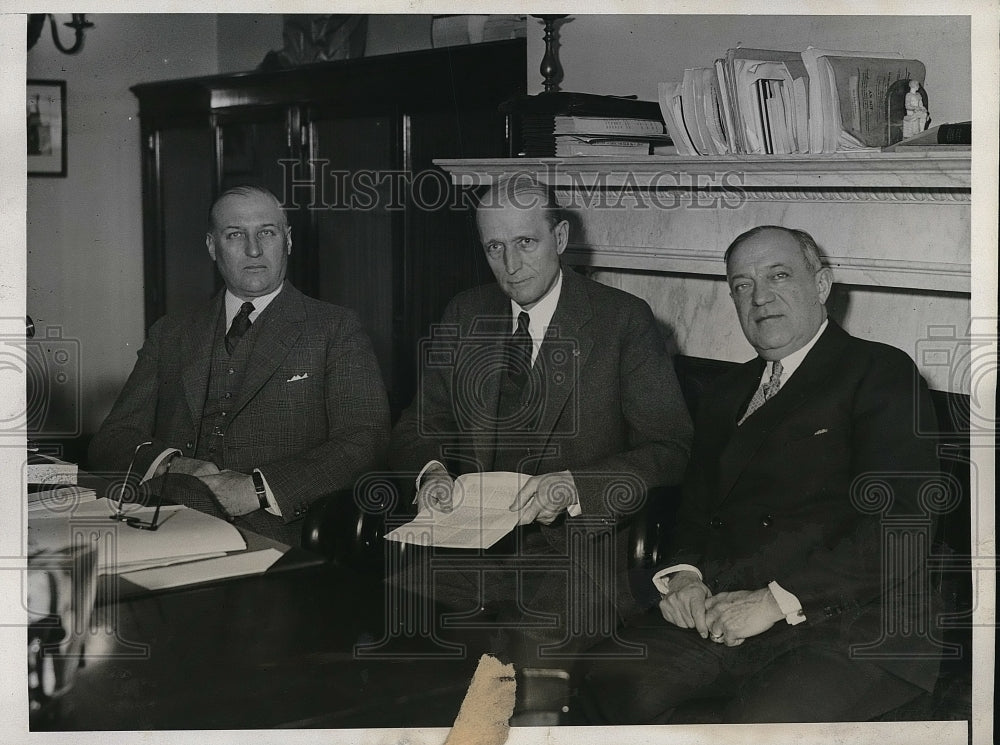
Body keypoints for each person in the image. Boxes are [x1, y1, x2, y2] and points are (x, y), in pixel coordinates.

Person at [577, 225, 942, 723]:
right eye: (742, 285)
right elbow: (695, 512)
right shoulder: (728, 392)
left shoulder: (879, 371)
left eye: (779, 275)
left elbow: (902, 527)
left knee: (758, 727)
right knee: (602, 677)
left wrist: (774, 600)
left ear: (821, 285)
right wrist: (684, 577)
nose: (760, 297)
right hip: (724, 616)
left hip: (849, 626)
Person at [387, 176, 693, 657]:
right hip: (470, 545)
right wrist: (433, 473)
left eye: (526, 242)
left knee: (527, 658)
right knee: (393, 621)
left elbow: (670, 449)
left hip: (582, 554)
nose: (510, 266)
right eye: (495, 247)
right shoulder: (466, 314)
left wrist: (575, 486)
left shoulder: (623, 320)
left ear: (561, 239)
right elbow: (421, 423)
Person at [89, 185, 390, 546]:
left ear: (288, 241)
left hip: (273, 532)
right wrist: (175, 465)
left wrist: (258, 489)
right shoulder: (171, 332)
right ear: (212, 246)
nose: (254, 249)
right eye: (235, 235)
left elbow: (365, 440)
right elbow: (111, 440)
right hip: (163, 520)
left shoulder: (334, 328)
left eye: (267, 232)